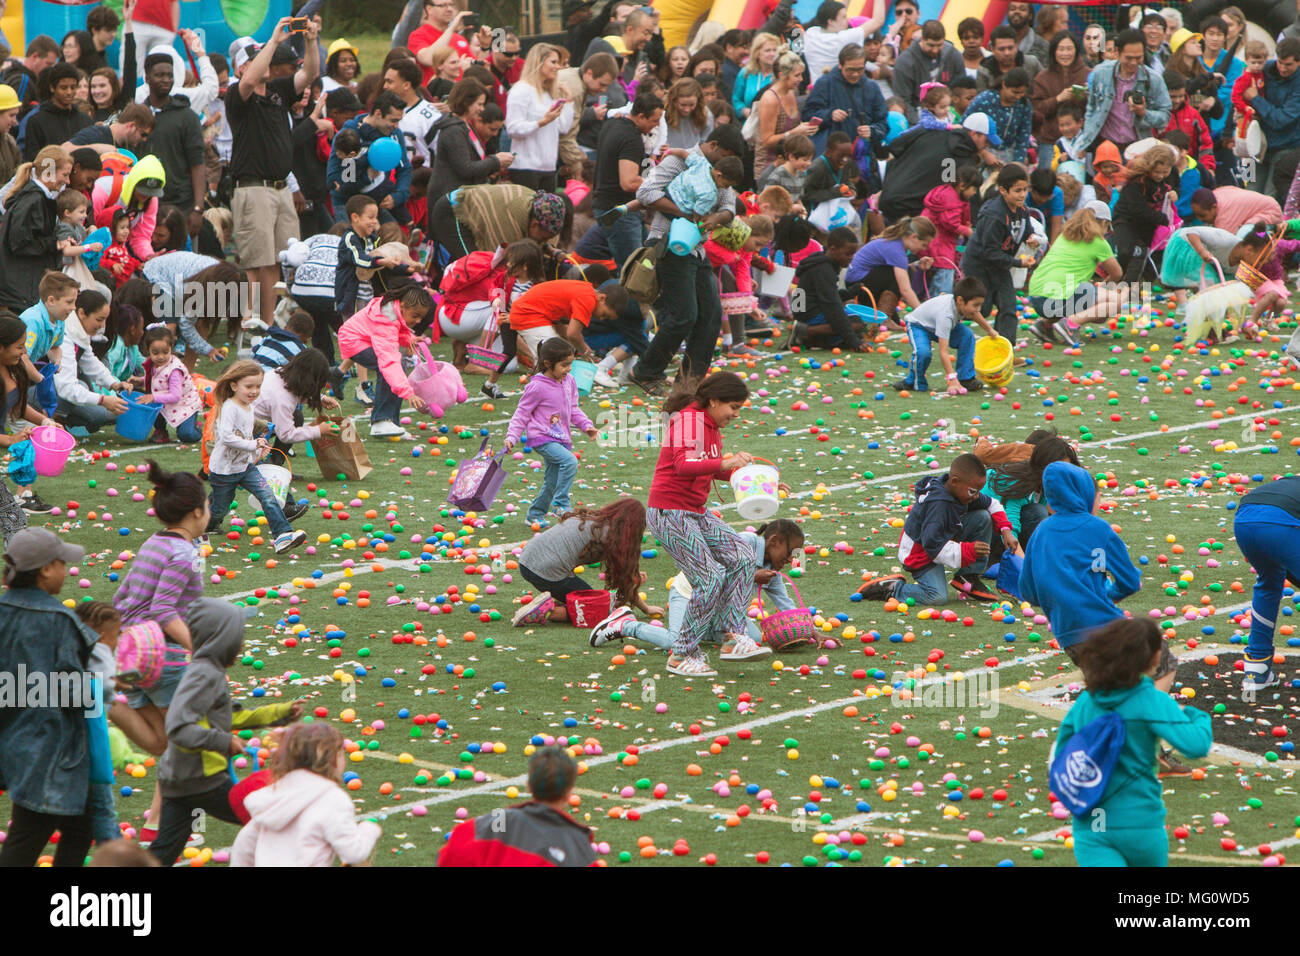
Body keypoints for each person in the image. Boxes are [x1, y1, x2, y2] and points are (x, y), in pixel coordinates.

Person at [147, 599, 300, 865]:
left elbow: (229, 716)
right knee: (267, 822)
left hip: (179, 780)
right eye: (238, 637)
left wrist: (280, 713)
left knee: (162, 853)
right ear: (221, 639)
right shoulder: (204, 675)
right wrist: (223, 741)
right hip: (203, 780)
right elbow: (178, 727)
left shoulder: (207, 671)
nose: (242, 644)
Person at [1055, 618, 1212, 867]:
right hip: (1140, 822)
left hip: (1092, 822)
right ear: (1151, 659)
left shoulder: (1086, 701)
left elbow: (1061, 753)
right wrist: (1197, 715)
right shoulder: (1151, 701)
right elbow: (1197, 745)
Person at [109, 458, 207, 840]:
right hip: (160, 656)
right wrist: (200, 649)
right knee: (187, 742)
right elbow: (164, 610)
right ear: (198, 511)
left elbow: (123, 597)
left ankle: (155, 822)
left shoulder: (154, 542)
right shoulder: (184, 554)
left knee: (167, 742)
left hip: (129, 653)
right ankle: (161, 826)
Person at [643, 372, 766, 676]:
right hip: (670, 512)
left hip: (694, 511)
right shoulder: (690, 422)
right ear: (713, 401)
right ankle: (681, 654)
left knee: (743, 557)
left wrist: (754, 479)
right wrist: (724, 462)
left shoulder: (710, 424)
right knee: (710, 578)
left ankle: (732, 636)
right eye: (733, 407)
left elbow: (708, 468)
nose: (735, 415)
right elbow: (684, 465)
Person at [0, 528, 96, 867]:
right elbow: (75, 694)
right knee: (28, 836)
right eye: (60, 563)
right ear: (44, 570)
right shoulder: (60, 620)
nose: (66, 570)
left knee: (83, 824)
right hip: (50, 745)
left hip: (11, 736)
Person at [627, 126, 745, 395]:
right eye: (725, 155)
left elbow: (728, 205)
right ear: (713, 146)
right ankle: (645, 372)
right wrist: (685, 214)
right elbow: (646, 193)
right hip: (671, 242)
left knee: (711, 315)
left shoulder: (719, 172)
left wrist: (717, 218)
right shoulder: (678, 162)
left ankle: (689, 381)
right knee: (684, 316)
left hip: (697, 247)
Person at [228, 17, 320, 331]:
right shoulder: (237, 95)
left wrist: (310, 40)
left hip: (280, 188)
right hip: (253, 187)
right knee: (258, 261)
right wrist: (274, 41)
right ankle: (255, 323)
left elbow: (310, 73)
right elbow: (250, 79)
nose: (262, 63)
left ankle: (271, 324)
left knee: (285, 258)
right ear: (241, 67)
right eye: (253, 60)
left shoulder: (279, 91)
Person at [856, 452, 1018, 605]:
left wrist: (1006, 531)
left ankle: (968, 576)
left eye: (977, 492)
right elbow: (933, 546)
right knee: (937, 596)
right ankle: (893, 588)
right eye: (973, 491)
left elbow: (992, 503)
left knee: (982, 516)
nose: (976, 496)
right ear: (955, 481)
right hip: (920, 553)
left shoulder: (961, 491)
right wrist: (969, 550)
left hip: (941, 539)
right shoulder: (938, 506)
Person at [1018, 461, 1140, 662]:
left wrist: (1059, 603)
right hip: (1104, 625)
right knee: (1162, 665)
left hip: (1068, 635)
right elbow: (1130, 581)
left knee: (1102, 683)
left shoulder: (1041, 531)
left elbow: (1028, 590)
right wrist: (1109, 595)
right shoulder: (1098, 528)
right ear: (1084, 494)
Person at [230, 721, 381, 866]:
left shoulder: (275, 793)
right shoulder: (333, 799)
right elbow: (354, 853)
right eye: (341, 753)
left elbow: (244, 846)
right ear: (333, 759)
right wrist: (369, 829)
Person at [203, 360, 307, 552]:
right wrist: (253, 445)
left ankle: (282, 535)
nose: (254, 391)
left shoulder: (248, 407)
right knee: (219, 509)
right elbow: (226, 438)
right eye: (249, 386)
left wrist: (258, 450)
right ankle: (204, 525)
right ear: (234, 386)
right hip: (224, 471)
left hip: (245, 468)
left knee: (267, 495)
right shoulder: (229, 407)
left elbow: (247, 435)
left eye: (258, 386)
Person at [437, 746, 597, 866]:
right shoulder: (577, 844)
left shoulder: (499, 819)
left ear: (528, 785)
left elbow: (453, 853)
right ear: (569, 794)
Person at [504, 337, 598, 528]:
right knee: (569, 461)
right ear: (548, 363)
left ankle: (535, 514)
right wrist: (511, 437)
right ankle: (561, 504)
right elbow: (522, 413)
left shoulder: (569, 381)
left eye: (570, 364)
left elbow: (573, 409)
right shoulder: (537, 386)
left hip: (562, 437)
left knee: (552, 481)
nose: (569, 369)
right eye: (564, 365)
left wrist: (586, 425)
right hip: (542, 437)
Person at [336, 282, 433, 439]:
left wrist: (410, 339)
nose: (419, 321)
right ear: (402, 306)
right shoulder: (386, 318)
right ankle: (381, 421)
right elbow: (388, 361)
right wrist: (408, 393)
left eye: (421, 317)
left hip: (364, 338)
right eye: (415, 316)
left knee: (397, 366)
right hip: (353, 341)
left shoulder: (394, 311)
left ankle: (391, 422)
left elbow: (398, 332)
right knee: (390, 367)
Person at [1026, 202, 1123, 347]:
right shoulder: (1098, 242)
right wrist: (1103, 286)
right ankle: (1071, 325)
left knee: (1076, 291)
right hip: (1055, 297)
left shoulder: (1065, 236)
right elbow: (1117, 273)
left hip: (1036, 297)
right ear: (1104, 222)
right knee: (1118, 301)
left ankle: (1045, 326)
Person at [962, 162, 1036, 345]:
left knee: (1008, 306)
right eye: (1017, 190)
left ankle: (1006, 350)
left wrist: (1032, 237)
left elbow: (1026, 231)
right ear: (1003, 191)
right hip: (979, 264)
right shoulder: (994, 216)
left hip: (1000, 264)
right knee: (982, 308)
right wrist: (1019, 263)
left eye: (1025, 189)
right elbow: (989, 252)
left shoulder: (1022, 210)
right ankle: (948, 316)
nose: (1022, 195)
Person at [590, 91, 661, 269]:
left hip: (607, 206)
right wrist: (660, 185)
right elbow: (628, 182)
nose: (657, 125)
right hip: (619, 210)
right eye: (654, 120)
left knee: (644, 261)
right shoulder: (631, 138)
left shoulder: (612, 124)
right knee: (633, 270)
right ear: (641, 116)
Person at [892, 275, 992, 395]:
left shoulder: (959, 304)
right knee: (923, 352)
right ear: (960, 301)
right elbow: (943, 352)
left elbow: (976, 314)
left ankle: (966, 378)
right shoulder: (946, 316)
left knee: (967, 336)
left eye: (980, 305)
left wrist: (990, 330)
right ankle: (912, 381)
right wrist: (952, 379)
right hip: (918, 325)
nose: (978, 309)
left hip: (936, 325)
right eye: (976, 305)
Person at [878, 112, 987, 221]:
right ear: (974, 134)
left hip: (888, 196)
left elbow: (895, 147)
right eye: (987, 141)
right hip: (912, 211)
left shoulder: (931, 132)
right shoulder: (966, 163)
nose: (987, 146)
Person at [138, 50, 206, 224]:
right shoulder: (137, 116)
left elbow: (197, 163)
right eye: (159, 75)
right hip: (143, 205)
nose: (166, 80)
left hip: (181, 206)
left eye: (169, 75)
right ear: (147, 78)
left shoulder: (187, 116)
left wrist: (198, 208)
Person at [1081, 29, 1172, 156]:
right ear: (1117, 52)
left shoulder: (1154, 79)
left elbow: (1165, 116)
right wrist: (1087, 135)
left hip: (1138, 150)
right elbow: (1091, 106)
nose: (1134, 63)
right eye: (1128, 58)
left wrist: (1143, 113)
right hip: (1104, 148)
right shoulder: (1100, 73)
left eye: (1138, 58)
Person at [0, 145, 70, 312]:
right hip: (21, 292)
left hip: (23, 289)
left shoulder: (35, 199)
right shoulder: (33, 201)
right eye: (65, 174)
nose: (67, 181)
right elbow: (19, 243)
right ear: (49, 172)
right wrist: (54, 244)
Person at [427, 183, 569, 264]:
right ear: (534, 225)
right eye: (543, 239)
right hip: (454, 211)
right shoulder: (508, 224)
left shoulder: (538, 210)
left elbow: (539, 247)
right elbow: (503, 262)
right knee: (475, 265)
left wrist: (551, 250)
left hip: (479, 212)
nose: (544, 241)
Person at [506, 276, 625, 369]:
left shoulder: (587, 292)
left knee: (558, 353)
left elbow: (561, 323)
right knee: (554, 354)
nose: (602, 319)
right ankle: (544, 389)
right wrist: (584, 350)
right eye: (604, 314)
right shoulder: (588, 299)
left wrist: (577, 344)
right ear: (602, 298)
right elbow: (573, 333)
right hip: (528, 313)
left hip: (533, 313)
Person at [52, 289, 129, 433]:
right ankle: (53, 421)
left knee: (104, 415)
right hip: (39, 394)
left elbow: (91, 363)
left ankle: (63, 419)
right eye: (99, 319)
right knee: (81, 386)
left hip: (58, 394)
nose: (103, 326)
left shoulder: (79, 333)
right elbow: (67, 389)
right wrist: (103, 400)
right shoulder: (65, 335)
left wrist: (115, 384)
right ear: (81, 313)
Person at [984, 435, 1080, 547]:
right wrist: (1022, 562)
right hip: (981, 527)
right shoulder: (1021, 483)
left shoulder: (1045, 484)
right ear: (1042, 466)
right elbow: (1010, 530)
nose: (1063, 475)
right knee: (1038, 513)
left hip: (999, 526)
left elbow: (1062, 517)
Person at [426, 79, 511, 199]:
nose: (482, 109)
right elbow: (465, 169)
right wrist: (495, 161)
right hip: (450, 199)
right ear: (466, 102)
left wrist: (493, 167)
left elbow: (475, 162)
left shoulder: (466, 125)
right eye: (479, 104)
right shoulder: (453, 130)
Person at [787, 224, 867, 352]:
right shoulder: (824, 270)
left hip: (802, 309)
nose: (851, 258)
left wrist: (850, 293)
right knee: (856, 323)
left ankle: (818, 338)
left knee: (849, 325)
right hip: (808, 313)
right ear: (833, 249)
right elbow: (832, 307)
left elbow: (828, 295)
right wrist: (854, 341)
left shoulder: (822, 262)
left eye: (853, 254)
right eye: (848, 254)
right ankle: (805, 332)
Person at [802, 43, 888, 153]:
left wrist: (872, 131)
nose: (855, 74)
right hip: (830, 154)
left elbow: (883, 124)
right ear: (840, 65)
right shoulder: (825, 83)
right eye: (850, 70)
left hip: (862, 154)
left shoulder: (872, 87)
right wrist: (829, 115)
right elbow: (807, 115)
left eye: (860, 69)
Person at [1242, 38, 1300, 200]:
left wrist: (1256, 100)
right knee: (1249, 192)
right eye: (1280, 62)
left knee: (1270, 197)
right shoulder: (1264, 69)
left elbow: (1281, 119)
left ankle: (1267, 226)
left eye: (1288, 65)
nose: (1282, 68)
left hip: (1285, 148)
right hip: (1254, 146)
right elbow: (1240, 91)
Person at [846, 215, 936, 318]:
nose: (924, 249)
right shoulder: (896, 250)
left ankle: (887, 314)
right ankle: (885, 317)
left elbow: (897, 268)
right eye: (923, 244)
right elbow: (905, 290)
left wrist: (916, 264)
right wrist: (924, 314)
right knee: (906, 272)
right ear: (914, 237)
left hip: (859, 282)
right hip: (858, 288)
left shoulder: (895, 243)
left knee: (906, 271)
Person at [751, 50, 817, 182]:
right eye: (797, 75)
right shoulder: (770, 99)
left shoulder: (791, 93)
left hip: (790, 165)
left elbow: (793, 128)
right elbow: (766, 141)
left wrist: (805, 130)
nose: (801, 79)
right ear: (782, 75)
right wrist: (794, 132)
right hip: (769, 167)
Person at [1113, 144, 1175, 281]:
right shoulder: (1137, 181)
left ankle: (1131, 290)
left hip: (1147, 224)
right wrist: (1161, 218)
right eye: (1157, 172)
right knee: (1125, 252)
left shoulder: (1170, 175)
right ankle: (1116, 281)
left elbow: (1173, 187)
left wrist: (1173, 193)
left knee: (1140, 256)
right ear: (1149, 167)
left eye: (1164, 172)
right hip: (1126, 219)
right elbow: (1136, 208)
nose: (1160, 176)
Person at [137, 325, 203, 443]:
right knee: (147, 401)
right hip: (166, 402)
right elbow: (158, 380)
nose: (161, 357)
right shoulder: (153, 364)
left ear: (171, 348)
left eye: (165, 352)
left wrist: (153, 397)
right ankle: (161, 431)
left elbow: (175, 396)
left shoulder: (175, 370)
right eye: (155, 353)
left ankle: (197, 428)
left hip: (184, 404)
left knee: (186, 435)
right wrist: (141, 380)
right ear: (148, 350)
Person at [922, 164, 979, 296]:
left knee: (938, 273)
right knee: (945, 274)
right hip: (940, 243)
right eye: (974, 188)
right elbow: (950, 222)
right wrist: (967, 231)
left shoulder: (947, 192)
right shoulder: (951, 198)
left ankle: (932, 300)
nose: (975, 193)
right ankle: (939, 302)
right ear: (962, 185)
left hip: (935, 239)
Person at [892, 21, 964, 123]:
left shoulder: (953, 56)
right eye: (931, 45)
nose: (935, 50)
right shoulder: (905, 61)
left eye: (939, 45)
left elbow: (960, 91)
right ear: (921, 39)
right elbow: (903, 99)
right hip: (918, 114)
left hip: (950, 115)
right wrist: (919, 124)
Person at [1030, 31, 1089, 149]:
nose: (1065, 53)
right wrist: (1058, 99)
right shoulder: (1042, 77)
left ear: (1076, 51)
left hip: (1082, 139)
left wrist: (1087, 97)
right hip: (1050, 140)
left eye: (1069, 49)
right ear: (1054, 52)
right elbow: (1037, 107)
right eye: (1061, 49)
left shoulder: (1088, 74)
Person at [22, 62, 90, 160]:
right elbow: (34, 160)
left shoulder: (85, 120)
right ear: (52, 88)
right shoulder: (36, 121)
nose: (69, 92)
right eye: (64, 88)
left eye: (73, 87)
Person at [803, 0, 883, 81]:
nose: (847, 20)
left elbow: (837, 9)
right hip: (838, 90)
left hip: (817, 89)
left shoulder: (810, 33)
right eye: (844, 17)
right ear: (830, 22)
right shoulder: (842, 38)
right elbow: (878, 21)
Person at [966, 68, 1032, 164]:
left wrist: (1018, 163)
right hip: (981, 153)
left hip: (1009, 153)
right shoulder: (984, 100)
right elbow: (964, 128)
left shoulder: (1024, 105)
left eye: (1022, 93)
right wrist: (983, 152)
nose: (1018, 97)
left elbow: (1023, 136)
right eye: (1015, 92)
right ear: (1004, 85)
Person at [979, 24, 1042, 90]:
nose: (1007, 53)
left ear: (1017, 46)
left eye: (1010, 48)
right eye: (1001, 49)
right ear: (992, 49)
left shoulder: (1031, 63)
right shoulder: (984, 70)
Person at [757, 132, 813, 203]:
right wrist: (792, 208)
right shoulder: (778, 176)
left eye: (810, 160)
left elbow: (798, 197)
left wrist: (801, 208)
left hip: (793, 213)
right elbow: (766, 201)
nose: (809, 163)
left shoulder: (801, 174)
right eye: (805, 160)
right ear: (791, 157)